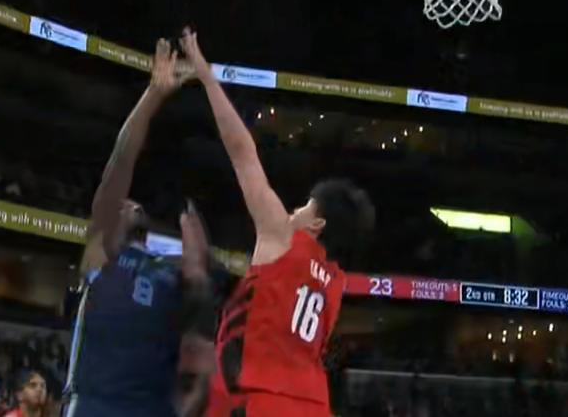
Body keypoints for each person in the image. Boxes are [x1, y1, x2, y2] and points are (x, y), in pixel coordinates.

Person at [178, 28, 375, 417]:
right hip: (314, 404)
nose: (293, 211)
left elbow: (242, 152)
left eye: (304, 206)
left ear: (317, 225)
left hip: (262, 399)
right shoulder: (336, 284)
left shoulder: (282, 236)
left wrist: (205, 74)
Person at [64, 39, 214, 417]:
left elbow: (200, 356)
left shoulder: (175, 273)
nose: (127, 204)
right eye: (122, 204)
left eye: (132, 204)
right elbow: (119, 165)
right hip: (95, 407)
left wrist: (199, 274)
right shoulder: (100, 256)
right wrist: (153, 95)